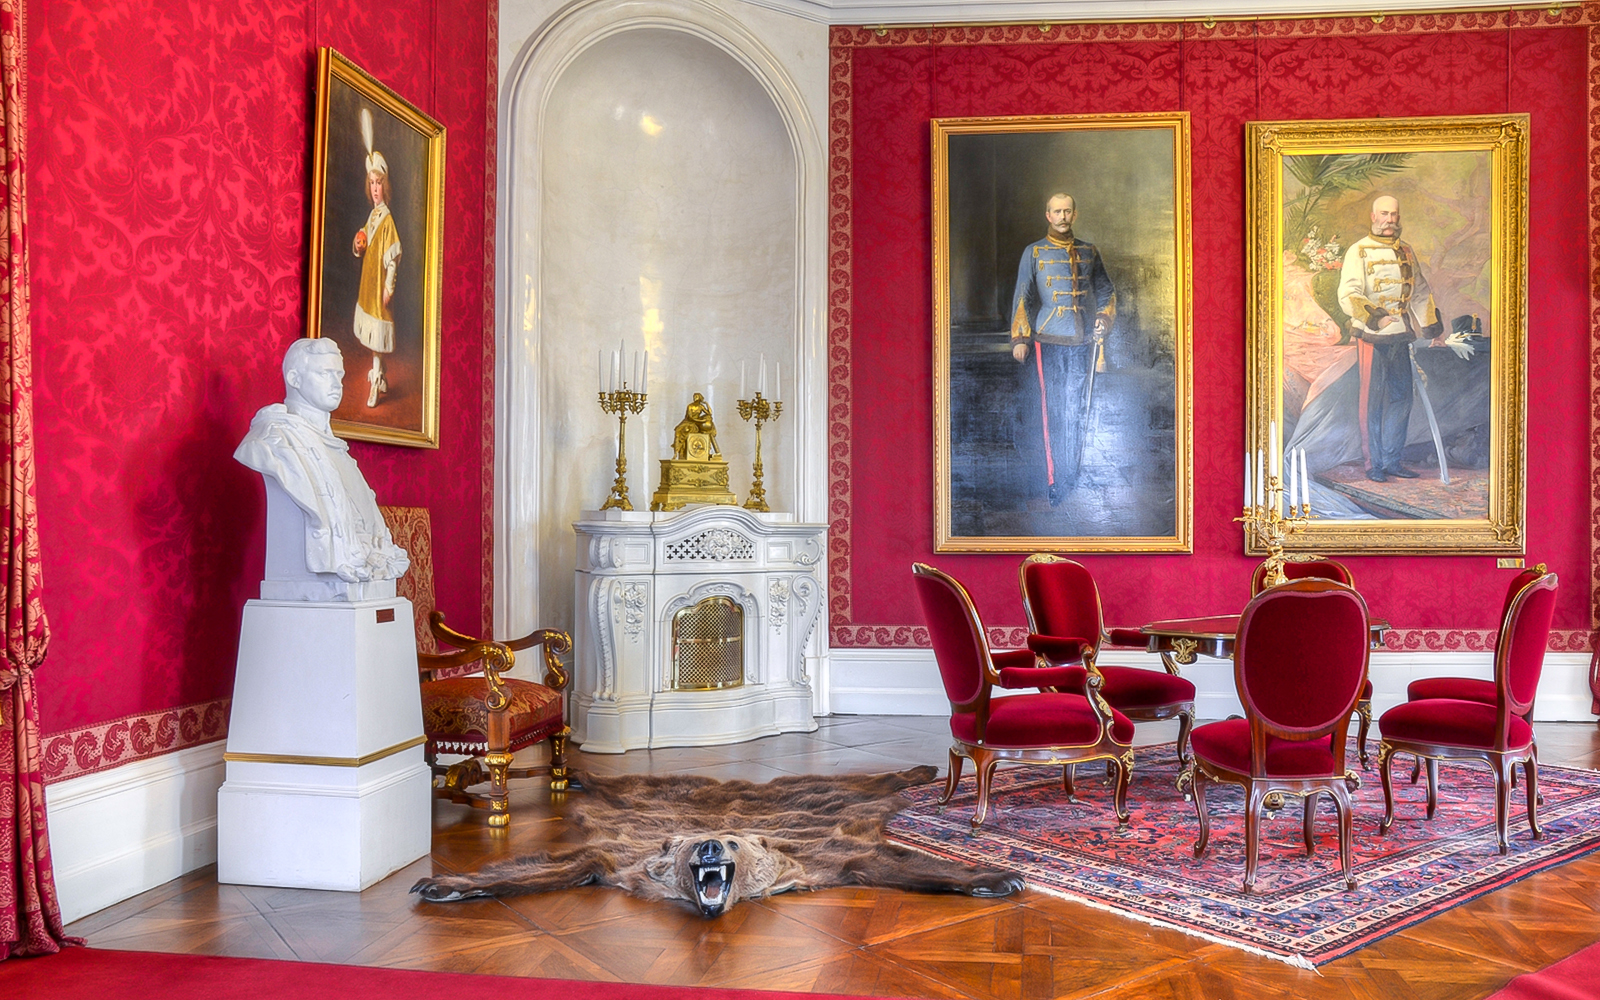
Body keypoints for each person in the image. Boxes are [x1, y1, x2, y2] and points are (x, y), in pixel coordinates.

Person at [235, 338, 410, 591]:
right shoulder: (274, 440)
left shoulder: (338, 450)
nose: (336, 383)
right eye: (324, 373)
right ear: (295, 379)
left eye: (339, 374)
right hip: (309, 589)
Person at [1009, 193, 1117, 504]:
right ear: (1048, 215)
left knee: (1078, 407)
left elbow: (1106, 290)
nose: (1063, 217)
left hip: (1083, 342)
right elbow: (1022, 296)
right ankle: (1056, 480)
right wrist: (1020, 338)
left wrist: (1102, 319)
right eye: (1057, 211)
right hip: (1049, 342)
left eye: (1067, 211)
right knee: (1052, 412)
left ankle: (1074, 473)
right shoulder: (1034, 252)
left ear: (1075, 214)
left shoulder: (1089, 251)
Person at [1337, 195, 1444, 482]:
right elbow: (1348, 294)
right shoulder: (1357, 251)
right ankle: (1374, 465)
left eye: (1394, 215)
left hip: (1401, 336)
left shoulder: (1406, 250)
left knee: (1402, 399)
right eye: (1384, 214)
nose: (1390, 220)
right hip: (1372, 335)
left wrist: (1432, 330)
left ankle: (1393, 460)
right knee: (1371, 402)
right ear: (1373, 216)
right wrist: (1377, 316)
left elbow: (1420, 291)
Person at [352, 107, 401, 409]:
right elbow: (365, 244)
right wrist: (358, 244)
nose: (374, 189)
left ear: (385, 185)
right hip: (366, 283)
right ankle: (377, 373)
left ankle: (378, 374)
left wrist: (389, 286)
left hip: (378, 286)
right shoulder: (372, 216)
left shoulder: (388, 220)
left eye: (378, 183)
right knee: (371, 331)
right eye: (371, 184)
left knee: (378, 332)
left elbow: (391, 258)